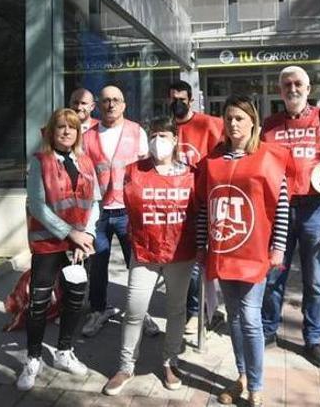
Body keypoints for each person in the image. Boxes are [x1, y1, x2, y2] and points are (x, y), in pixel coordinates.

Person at [196, 95, 294, 407]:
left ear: (253, 121)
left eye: (240, 118)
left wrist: (278, 246)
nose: (234, 124)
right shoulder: (211, 161)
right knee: (235, 318)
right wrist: (201, 245)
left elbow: (281, 207)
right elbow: (202, 208)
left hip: (255, 252)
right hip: (223, 251)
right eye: (229, 118)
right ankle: (241, 376)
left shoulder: (269, 157)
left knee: (250, 318)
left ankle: (256, 386)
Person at [260, 66, 320, 370]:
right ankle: (267, 331)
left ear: (308, 88)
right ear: (280, 91)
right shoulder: (269, 125)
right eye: (287, 84)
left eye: (298, 83)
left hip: (315, 209)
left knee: (314, 280)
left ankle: (313, 339)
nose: (293, 88)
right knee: (273, 275)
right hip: (278, 210)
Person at [103, 117, 197, 395]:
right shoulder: (134, 171)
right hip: (145, 251)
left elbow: (199, 211)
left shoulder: (192, 172)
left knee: (176, 310)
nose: (159, 140)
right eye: (154, 135)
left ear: (175, 139)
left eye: (165, 135)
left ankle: (170, 362)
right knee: (135, 308)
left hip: (180, 253)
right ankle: (125, 366)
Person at [16, 108, 100, 391]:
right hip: (48, 245)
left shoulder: (87, 162)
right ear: (51, 131)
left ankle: (64, 352)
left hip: (78, 245)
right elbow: (37, 205)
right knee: (38, 303)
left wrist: (86, 234)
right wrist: (70, 233)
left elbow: (94, 202)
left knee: (75, 300)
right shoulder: (40, 161)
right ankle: (33, 358)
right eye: (61, 127)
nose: (66, 131)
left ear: (78, 133)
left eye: (72, 127)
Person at [81, 84, 157, 337]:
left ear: (124, 104)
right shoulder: (88, 136)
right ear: (99, 105)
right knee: (98, 263)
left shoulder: (137, 131)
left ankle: (140, 312)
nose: (111, 104)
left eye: (116, 100)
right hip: (99, 211)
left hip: (129, 211)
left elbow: (148, 173)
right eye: (106, 100)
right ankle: (98, 310)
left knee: (136, 264)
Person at [168, 80, 224, 336]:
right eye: (172, 99)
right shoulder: (166, 127)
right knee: (187, 261)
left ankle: (199, 311)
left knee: (200, 261)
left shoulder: (208, 124)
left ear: (191, 100)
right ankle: (197, 309)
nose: (177, 103)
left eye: (182, 98)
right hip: (175, 202)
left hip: (203, 200)